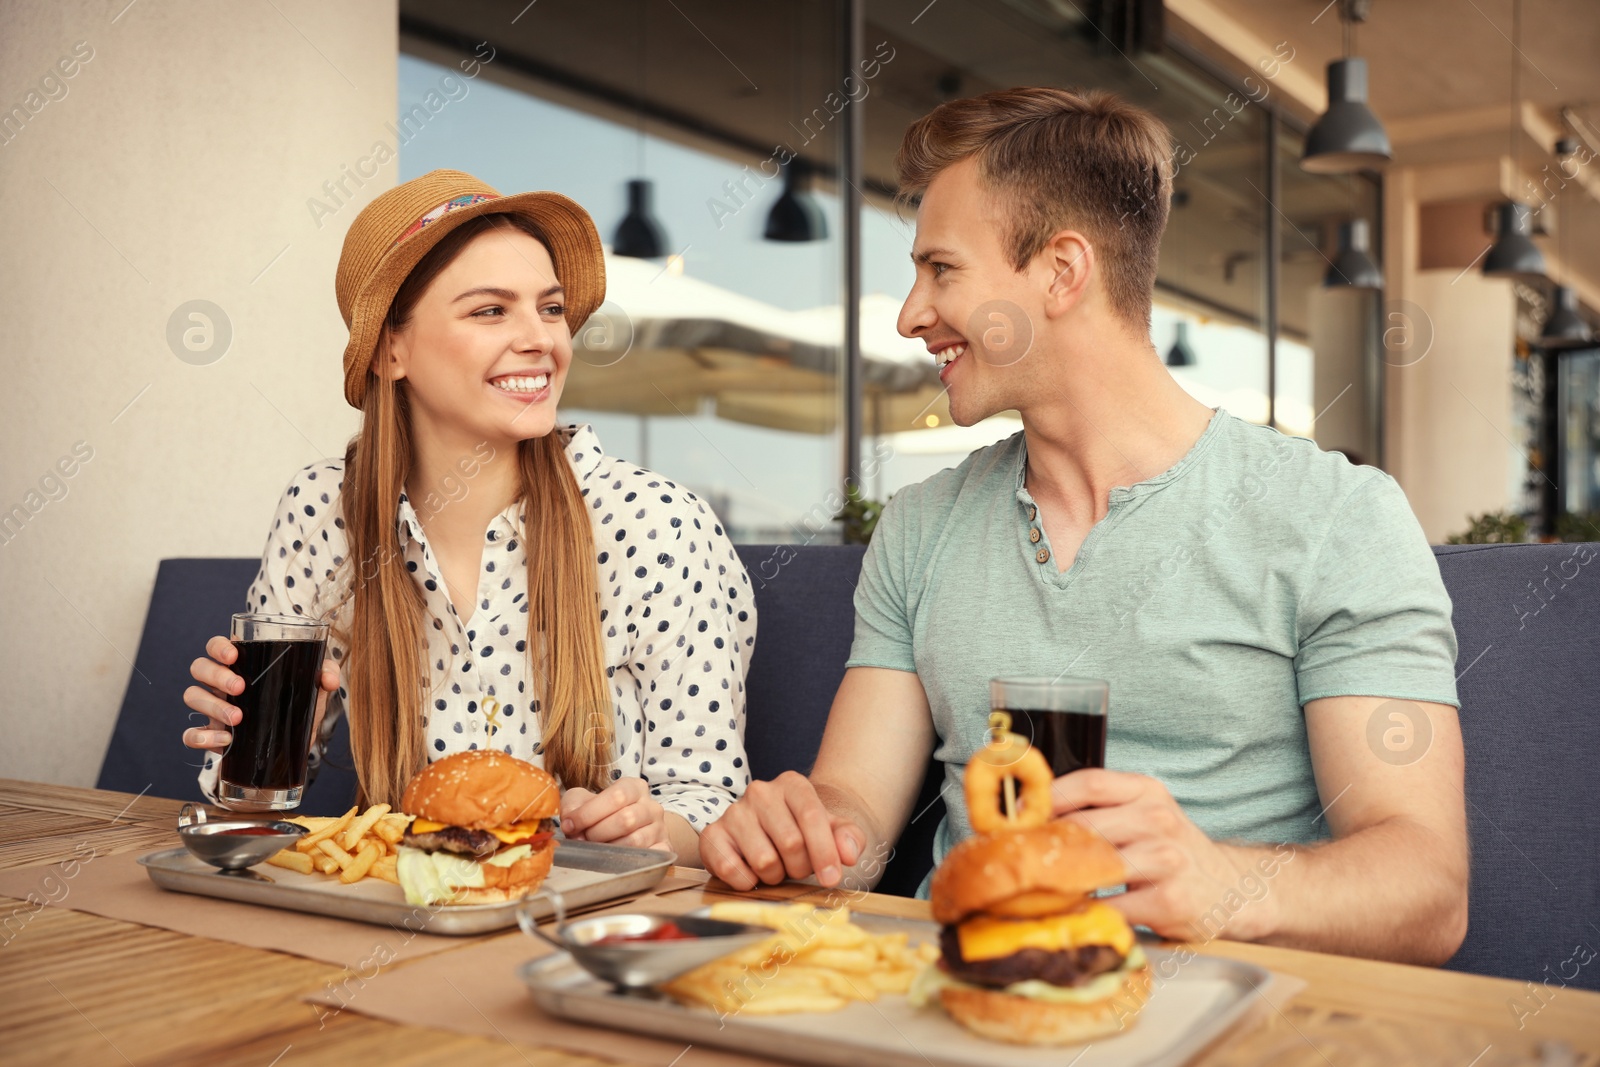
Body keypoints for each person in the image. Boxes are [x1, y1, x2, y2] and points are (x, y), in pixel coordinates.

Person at [698, 88, 1469, 965]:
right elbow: (858, 813)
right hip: (951, 999)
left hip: (1215, 1015)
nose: (912, 314)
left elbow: (1427, 888)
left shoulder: (1333, 518)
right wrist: (806, 833)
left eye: (941, 270)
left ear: (1063, 272)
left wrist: (1221, 882)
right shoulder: (920, 526)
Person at [181, 170, 756, 865]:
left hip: (589, 929)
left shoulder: (657, 526)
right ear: (393, 349)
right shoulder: (323, 513)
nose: (541, 338)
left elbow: (711, 805)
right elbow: (249, 799)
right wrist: (247, 736)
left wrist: (651, 829)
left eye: (550, 308)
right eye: (491, 311)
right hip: (402, 918)